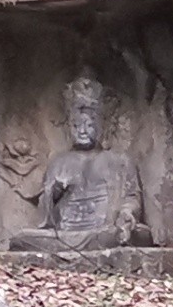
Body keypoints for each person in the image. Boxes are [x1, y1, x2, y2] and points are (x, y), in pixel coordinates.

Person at [18, 75, 146, 252]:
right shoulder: (59, 163)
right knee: (22, 238)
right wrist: (54, 192)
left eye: (89, 124)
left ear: (102, 125)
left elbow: (131, 198)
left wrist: (127, 213)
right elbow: (45, 213)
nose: (82, 131)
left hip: (104, 230)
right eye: (76, 125)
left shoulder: (120, 161)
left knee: (127, 234)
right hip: (65, 233)